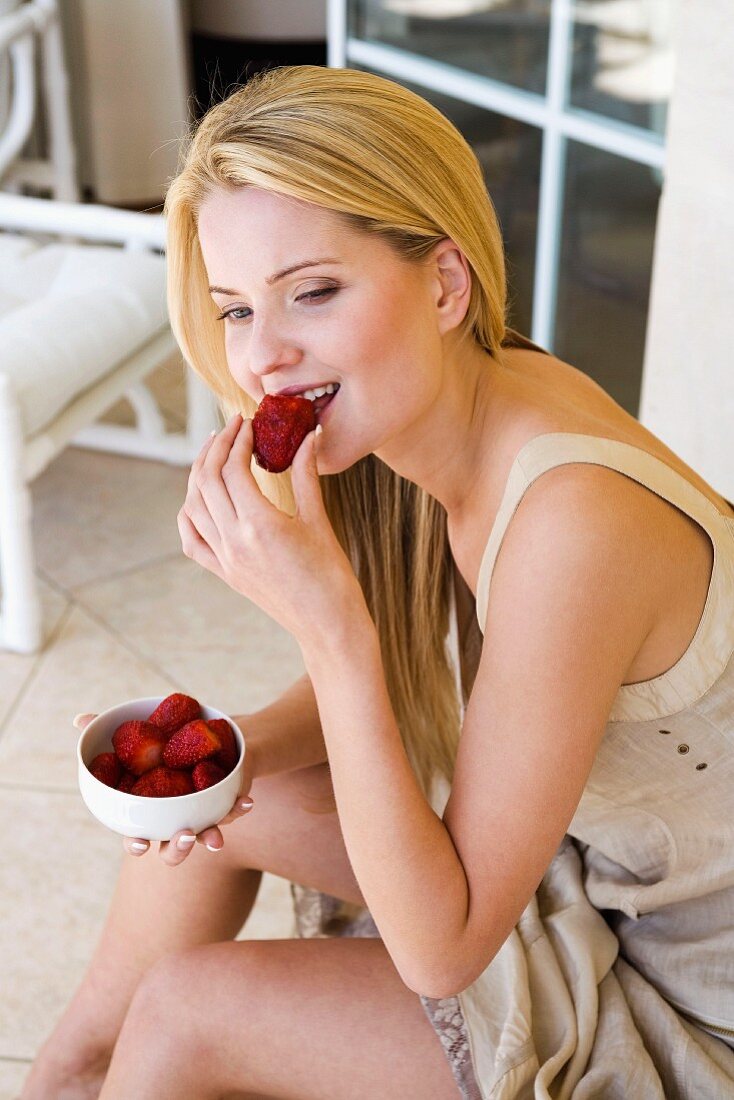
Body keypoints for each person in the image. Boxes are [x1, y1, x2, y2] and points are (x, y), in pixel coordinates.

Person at [21, 65, 734, 1100]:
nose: (263, 355)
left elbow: (439, 947)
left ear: (444, 282)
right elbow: (426, 680)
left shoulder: (573, 522)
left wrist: (326, 621)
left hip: (687, 998)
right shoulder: (440, 401)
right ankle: (64, 1072)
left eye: (313, 291)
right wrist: (222, 754)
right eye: (232, 308)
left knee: (188, 1010)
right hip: (588, 873)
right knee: (225, 802)